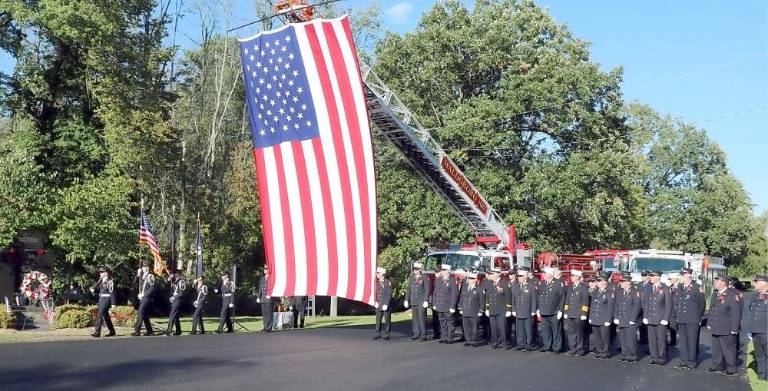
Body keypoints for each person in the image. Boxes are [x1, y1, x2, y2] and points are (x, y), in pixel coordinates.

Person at [706, 275, 741, 376]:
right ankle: (717, 366)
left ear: (723, 283)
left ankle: (731, 369)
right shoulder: (716, 293)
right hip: (716, 325)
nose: (715, 283)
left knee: (729, 349)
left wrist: (735, 328)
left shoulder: (732, 294)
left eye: (717, 281)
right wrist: (709, 322)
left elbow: (736, 313)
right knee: (716, 348)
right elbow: (712, 309)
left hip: (727, 327)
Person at [674, 268, 705, 369]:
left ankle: (692, 361)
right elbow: (677, 302)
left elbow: (702, 304)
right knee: (682, 341)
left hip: (693, 319)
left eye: (683, 275)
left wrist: (699, 317)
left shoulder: (697, 287)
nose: (681, 276)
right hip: (682, 318)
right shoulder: (680, 287)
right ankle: (683, 360)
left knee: (692, 340)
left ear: (689, 276)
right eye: (682, 274)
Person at [643, 270, 673, 366]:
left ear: (658, 277)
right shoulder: (649, 288)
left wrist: (666, 318)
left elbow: (669, 305)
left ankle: (661, 357)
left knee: (661, 340)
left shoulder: (665, 288)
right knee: (651, 340)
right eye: (650, 276)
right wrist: (645, 316)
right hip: (650, 317)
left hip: (661, 319)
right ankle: (653, 357)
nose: (650, 277)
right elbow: (646, 303)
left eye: (652, 276)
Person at [742, 274, 768, 380]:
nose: (754, 284)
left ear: (763, 283)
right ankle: (762, 374)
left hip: (766, 330)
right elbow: (751, 312)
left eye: (756, 282)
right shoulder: (754, 296)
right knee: (759, 354)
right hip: (755, 330)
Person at [614, 273, 641, 362]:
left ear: (628, 282)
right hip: (622, 318)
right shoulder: (619, 292)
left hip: (630, 319)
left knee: (631, 338)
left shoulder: (634, 292)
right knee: (623, 338)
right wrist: (616, 317)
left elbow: (636, 306)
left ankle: (632, 355)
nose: (621, 283)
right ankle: (625, 354)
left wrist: (633, 319)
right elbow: (616, 305)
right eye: (621, 281)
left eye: (623, 281)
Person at [537, 267, 565, 353]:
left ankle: (556, 347)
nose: (543, 275)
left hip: (554, 311)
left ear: (550, 274)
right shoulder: (542, 283)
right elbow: (539, 297)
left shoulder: (558, 283)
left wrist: (561, 310)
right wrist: (538, 308)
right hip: (544, 311)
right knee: (545, 330)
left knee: (556, 330)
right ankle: (547, 345)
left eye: (545, 273)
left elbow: (562, 298)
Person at [483, 268, 512, 350]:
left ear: (497, 274)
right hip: (492, 309)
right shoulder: (490, 283)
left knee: (502, 328)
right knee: (493, 328)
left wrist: (509, 309)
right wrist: (487, 308)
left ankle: (504, 343)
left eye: (492, 274)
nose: (490, 276)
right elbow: (488, 296)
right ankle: (494, 342)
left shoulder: (504, 283)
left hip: (501, 310)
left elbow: (508, 296)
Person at [563, 270, 590, 356]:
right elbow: (567, 300)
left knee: (579, 333)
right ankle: (572, 348)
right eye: (572, 276)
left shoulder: (583, 287)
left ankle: (580, 349)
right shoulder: (570, 287)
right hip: (571, 313)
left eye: (573, 276)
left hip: (579, 314)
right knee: (571, 332)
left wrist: (584, 313)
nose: (571, 277)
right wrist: (566, 311)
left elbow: (585, 301)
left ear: (578, 277)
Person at [403, 262, 431, 341]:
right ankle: (416, 333)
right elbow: (409, 289)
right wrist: (406, 300)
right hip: (413, 301)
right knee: (415, 318)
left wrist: (426, 300)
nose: (415, 271)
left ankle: (423, 335)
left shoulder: (424, 277)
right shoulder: (411, 278)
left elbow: (427, 289)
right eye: (414, 270)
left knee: (421, 318)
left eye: (416, 269)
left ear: (420, 270)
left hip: (421, 301)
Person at [511, 267, 537, 351]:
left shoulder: (531, 286)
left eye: (521, 276)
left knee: (528, 329)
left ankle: (528, 344)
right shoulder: (515, 286)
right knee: (519, 328)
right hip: (518, 310)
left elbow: (534, 298)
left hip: (527, 310)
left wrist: (533, 310)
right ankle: (520, 343)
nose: (519, 278)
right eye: (518, 276)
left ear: (525, 276)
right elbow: (513, 299)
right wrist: (513, 310)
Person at [589, 274, 614, 359]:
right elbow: (592, 305)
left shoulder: (609, 292)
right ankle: (599, 350)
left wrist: (608, 319)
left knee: (604, 337)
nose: (597, 282)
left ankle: (605, 351)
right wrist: (590, 317)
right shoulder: (595, 292)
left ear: (604, 282)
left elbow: (611, 307)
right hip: (595, 318)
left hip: (604, 318)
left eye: (599, 281)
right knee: (597, 336)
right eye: (597, 281)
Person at [432, 264, 458, 344]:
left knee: (450, 322)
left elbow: (454, 294)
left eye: (443, 270)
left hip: (448, 305)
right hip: (440, 305)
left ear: (447, 271)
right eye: (442, 270)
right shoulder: (438, 280)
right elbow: (435, 293)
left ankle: (449, 337)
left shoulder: (452, 280)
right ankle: (444, 336)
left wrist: (452, 306)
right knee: (442, 322)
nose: (442, 272)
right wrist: (434, 303)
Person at [458, 272, 484, 347]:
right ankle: (468, 340)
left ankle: (474, 340)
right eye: (469, 278)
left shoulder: (479, 289)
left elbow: (482, 301)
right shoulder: (465, 288)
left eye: (471, 278)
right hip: (465, 310)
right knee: (466, 327)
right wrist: (460, 307)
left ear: (475, 279)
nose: (469, 280)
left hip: (474, 311)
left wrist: (481, 310)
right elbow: (461, 298)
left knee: (474, 327)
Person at [90, 267, 116, 338]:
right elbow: (98, 288)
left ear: (106, 273)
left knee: (99, 315)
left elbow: (112, 292)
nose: (100, 273)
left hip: (106, 300)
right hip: (101, 299)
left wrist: (113, 303)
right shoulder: (101, 280)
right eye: (100, 272)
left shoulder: (109, 281)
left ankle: (97, 332)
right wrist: (93, 289)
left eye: (102, 272)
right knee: (106, 316)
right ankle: (112, 331)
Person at [132, 262, 155, 336]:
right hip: (141, 298)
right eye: (143, 267)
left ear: (148, 268)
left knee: (140, 313)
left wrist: (144, 294)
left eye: (146, 267)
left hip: (146, 298)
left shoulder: (150, 276)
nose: (144, 268)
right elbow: (134, 285)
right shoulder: (141, 276)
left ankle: (137, 331)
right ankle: (150, 331)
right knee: (144, 315)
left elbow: (152, 288)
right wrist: (137, 275)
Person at [373, 267, 393, 340]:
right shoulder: (376, 282)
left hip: (385, 304)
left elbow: (389, 294)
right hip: (379, 303)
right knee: (378, 319)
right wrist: (375, 301)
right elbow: (374, 293)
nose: (376, 274)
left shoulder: (388, 282)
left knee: (387, 320)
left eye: (378, 273)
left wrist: (386, 304)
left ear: (382, 274)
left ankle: (387, 334)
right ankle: (377, 333)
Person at [166, 270, 186, 336]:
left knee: (172, 315)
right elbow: (167, 286)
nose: (173, 275)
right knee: (176, 316)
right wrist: (169, 280)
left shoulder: (181, 282)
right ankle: (178, 331)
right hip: (174, 300)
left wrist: (174, 297)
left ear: (178, 274)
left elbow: (181, 293)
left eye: (175, 273)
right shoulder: (174, 281)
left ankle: (169, 331)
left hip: (178, 300)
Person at [257, 265, 273, 332]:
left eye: (266, 269)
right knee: (264, 313)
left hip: (268, 297)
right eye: (264, 269)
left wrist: (270, 295)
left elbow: (273, 288)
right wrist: (258, 297)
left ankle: (269, 327)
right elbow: (260, 289)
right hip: (263, 298)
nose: (264, 270)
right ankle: (265, 326)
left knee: (269, 313)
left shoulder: (272, 278)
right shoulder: (262, 278)